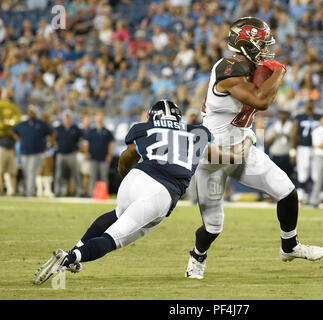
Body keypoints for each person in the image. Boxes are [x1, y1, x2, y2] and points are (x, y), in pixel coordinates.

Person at [33, 100, 253, 284]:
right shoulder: (198, 134)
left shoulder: (145, 128)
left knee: (117, 214)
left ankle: (76, 251)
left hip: (135, 178)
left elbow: (126, 157)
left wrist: (125, 175)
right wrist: (249, 140)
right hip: (161, 191)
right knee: (114, 238)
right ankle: (70, 257)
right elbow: (232, 157)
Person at [185, 17, 323, 280]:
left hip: (241, 147)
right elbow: (261, 101)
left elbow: (265, 98)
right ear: (246, 44)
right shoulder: (228, 67)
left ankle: (290, 246)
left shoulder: (250, 67)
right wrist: (280, 72)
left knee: (286, 190)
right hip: (213, 155)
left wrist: (271, 76)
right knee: (214, 227)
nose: (266, 50)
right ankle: (197, 256)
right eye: (261, 44)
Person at [11, 105, 53, 197]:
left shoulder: (41, 124)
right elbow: (13, 131)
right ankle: (29, 191)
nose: (30, 114)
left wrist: (49, 143)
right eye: (29, 112)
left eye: (32, 112)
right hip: (24, 152)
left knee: (31, 172)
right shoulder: (23, 124)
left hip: (36, 152)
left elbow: (51, 132)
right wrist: (19, 140)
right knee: (26, 172)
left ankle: (29, 193)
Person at [290, 99, 321, 203]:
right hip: (302, 148)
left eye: (311, 104)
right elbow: (294, 135)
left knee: (316, 173)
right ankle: (301, 194)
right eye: (308, 104)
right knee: (302, 171)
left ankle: (315, 195)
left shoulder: (319, 117)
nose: (310, 106)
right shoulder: (299, 117)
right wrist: (292, 151)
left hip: (316, 148)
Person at [83, 111, 114, 196]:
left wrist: (109, 154)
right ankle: (91, 194)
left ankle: (104, 194)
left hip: (104, 157)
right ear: (95, 118)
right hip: (93, 157)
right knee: (93, 177)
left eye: (101, 116)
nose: (99, 118)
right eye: (98, 116)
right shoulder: (90, 131)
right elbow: (86, 144)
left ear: (103, 118)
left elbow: (111, 144)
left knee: (104, 177)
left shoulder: (107, 131)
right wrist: (86, 153)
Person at [54, 110, 83, 197]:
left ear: (71, 119)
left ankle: (79, 192)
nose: (67, 120)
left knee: (76, 174)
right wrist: (56, 146)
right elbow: (53, 138)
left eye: (68, 118)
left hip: (71, 154)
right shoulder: (58, 128)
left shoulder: (76, 129)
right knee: (58, 174)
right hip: (61, 154)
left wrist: (77, 149)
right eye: (65, 118)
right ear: (63, 119)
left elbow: (81, 140)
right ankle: (57, 192)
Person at [264, 110, 294, 180]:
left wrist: (288, 136)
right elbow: (267, 144)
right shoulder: (273, 127)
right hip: (275, 156)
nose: (283, 116)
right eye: (282, 114)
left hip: (287, 156)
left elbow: (294, 142)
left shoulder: (292, 126)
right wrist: (275, 135)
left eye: (285, 114)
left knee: (288, 178)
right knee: (275, 178)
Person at [0, 99, 21, 196]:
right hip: (2, 147)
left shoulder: (12, 128)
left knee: (13, 171)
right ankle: (0, 190)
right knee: (0, 171)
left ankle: (13, 191)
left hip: (11, 148)